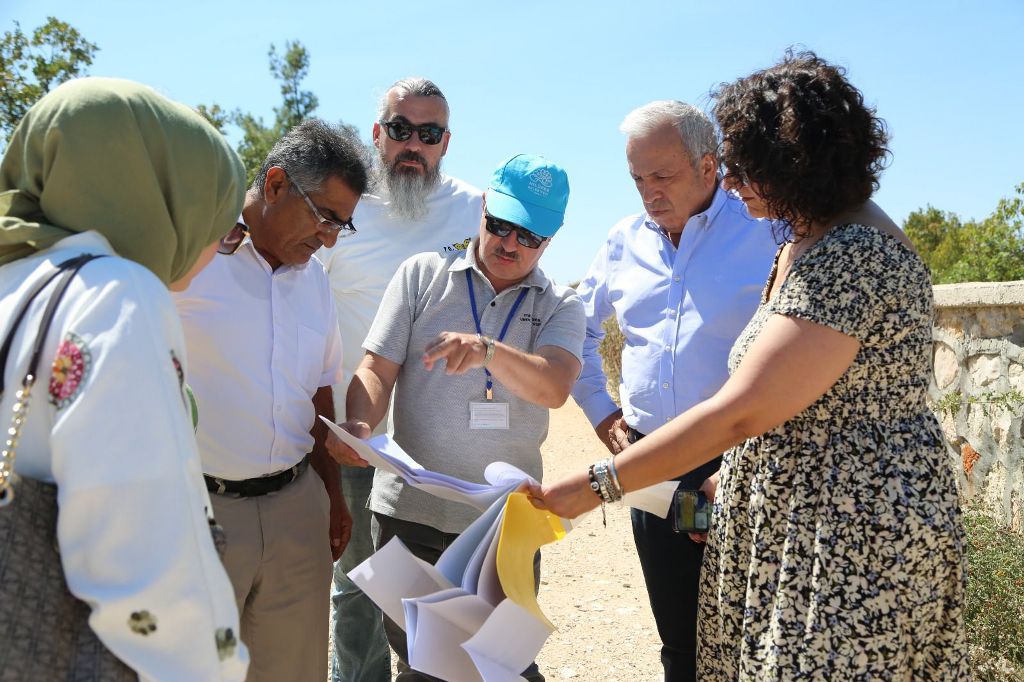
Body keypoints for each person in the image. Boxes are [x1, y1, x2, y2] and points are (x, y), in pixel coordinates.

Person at [530, 50, 969, 679]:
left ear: (795, 164)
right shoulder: (803, 240)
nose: (731, 182)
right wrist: (733, 478)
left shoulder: (852, 254)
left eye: (744, 166)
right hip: (791, 511)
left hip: (852, 526)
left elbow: (742, 410)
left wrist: (596, 485)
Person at [0, 77, 248, 680]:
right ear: (167, 200)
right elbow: (145, 557)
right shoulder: (115, 295)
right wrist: (211, 666)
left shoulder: (16, 280)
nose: (216, 246)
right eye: (218, 221)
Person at [327, 153, 584, 681]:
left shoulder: (561, 305)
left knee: (500, 664)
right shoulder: (421, 274)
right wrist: (360, 423)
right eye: (501, 224)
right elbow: (376, 369)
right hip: (407, 514)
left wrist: (490, 351)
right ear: (483, 207)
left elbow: (555, 386)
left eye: (529, 236)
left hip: (503, 529)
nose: (510, 244)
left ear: (551, 239)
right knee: (423, 665)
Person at [570, 100, 776, 681]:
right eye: (637, 179)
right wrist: (602, 413)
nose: (648, 193)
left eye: (661, 176)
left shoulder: (769, 233)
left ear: (709, 165)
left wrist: (738, 463)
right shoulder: (622, 241)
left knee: (758, 641)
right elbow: (575, 332)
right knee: (680, 644)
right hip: (651, 466)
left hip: (745, 464)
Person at [174, 119, 367, 682]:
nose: (330, 239)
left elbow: (320, 392)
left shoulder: (315, 282)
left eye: (342, 225)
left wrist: (331, 496)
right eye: (325, 217)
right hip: (198, 514)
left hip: (295, 513)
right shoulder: (190, 256)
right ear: (277, 184)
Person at [318, 76, 481, 682]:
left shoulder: (476, 209)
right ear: (377, 133)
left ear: (446, 142)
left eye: (429, 133)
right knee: (360, 585)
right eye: (400, 129)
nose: (414, 144)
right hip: (359, 437)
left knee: (444, 587)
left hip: (444, 445)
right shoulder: (343, 205)